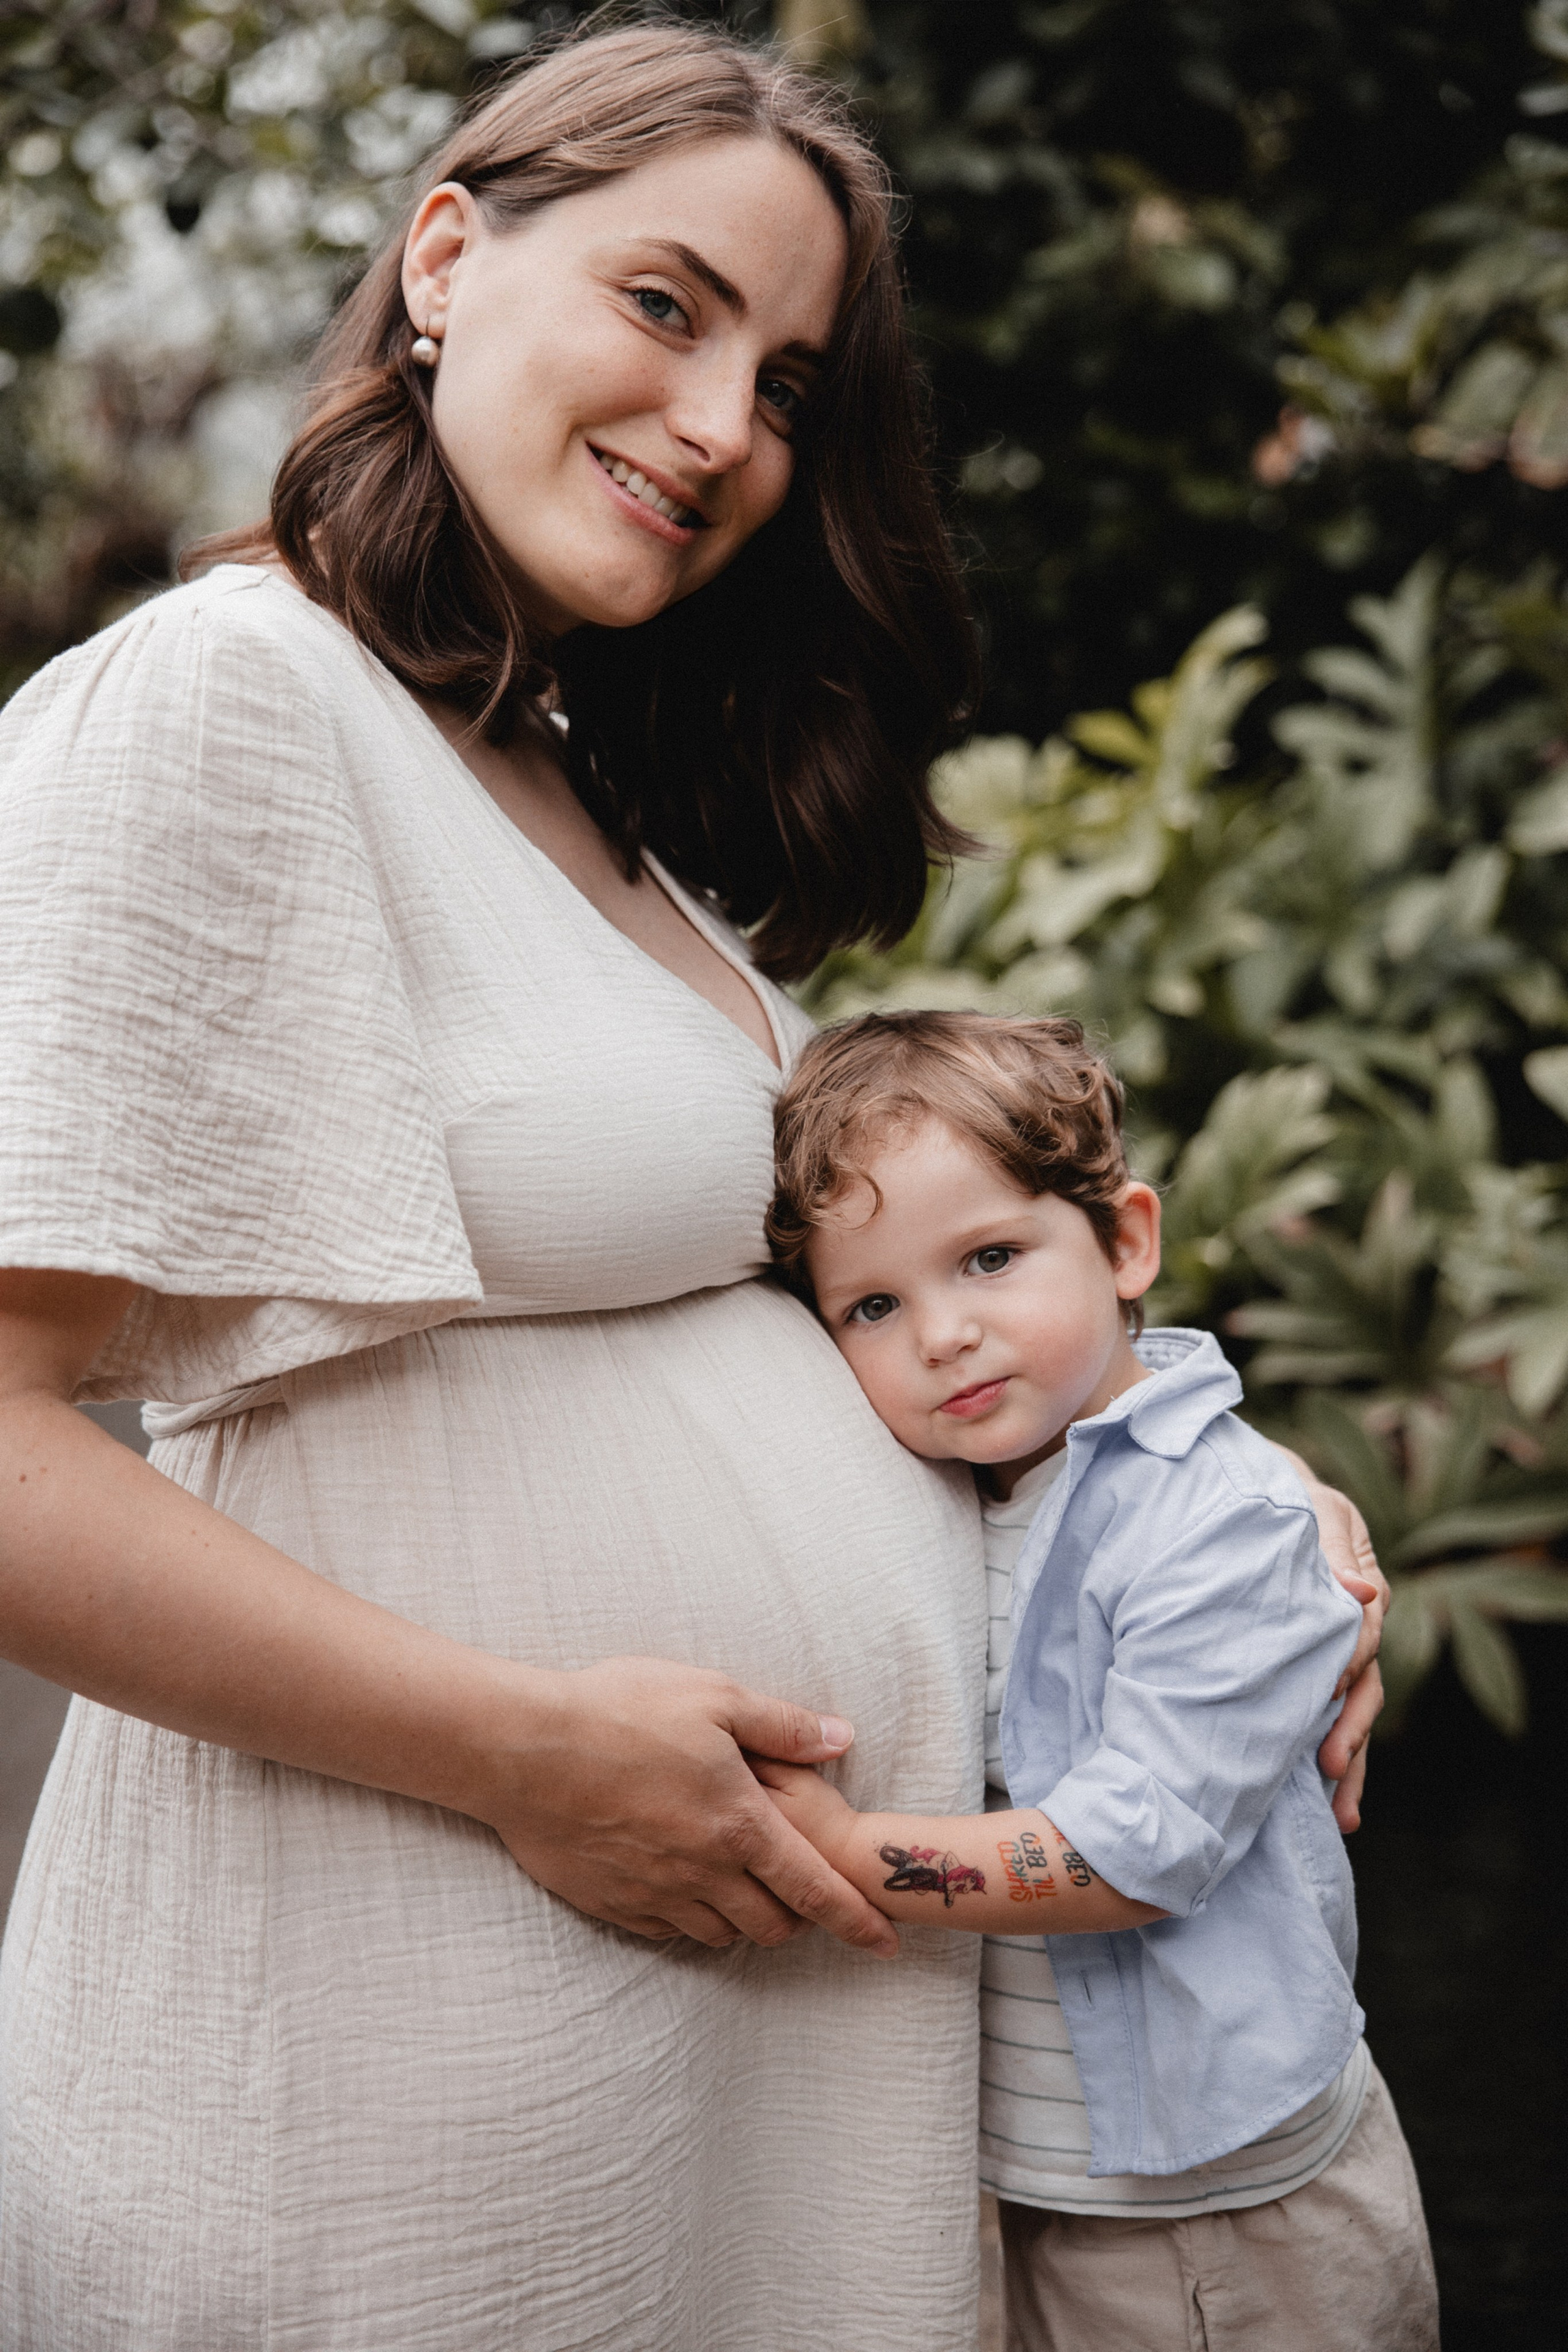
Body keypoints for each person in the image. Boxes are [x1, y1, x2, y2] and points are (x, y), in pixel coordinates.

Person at [0, 21, 1384, 2351]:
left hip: (718, 2100)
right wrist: (524, 1752)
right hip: (399, 2080)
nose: (731, 425)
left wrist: (1197, 1482)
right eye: (667, 305)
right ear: (448, 257)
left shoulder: (573, 791)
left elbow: (823, 1329)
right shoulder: (227, 696)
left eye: (795, 384)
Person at [763, 1009, 1436, 2352]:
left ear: (1127, 1243)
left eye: (990, 1258)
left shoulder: (1219, 1523)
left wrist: (847, 1849)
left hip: (1219, 2211)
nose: (943, 1334)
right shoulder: (988, 1489)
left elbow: (1137, 1852)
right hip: (1061, 2173)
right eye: (874, 1305)